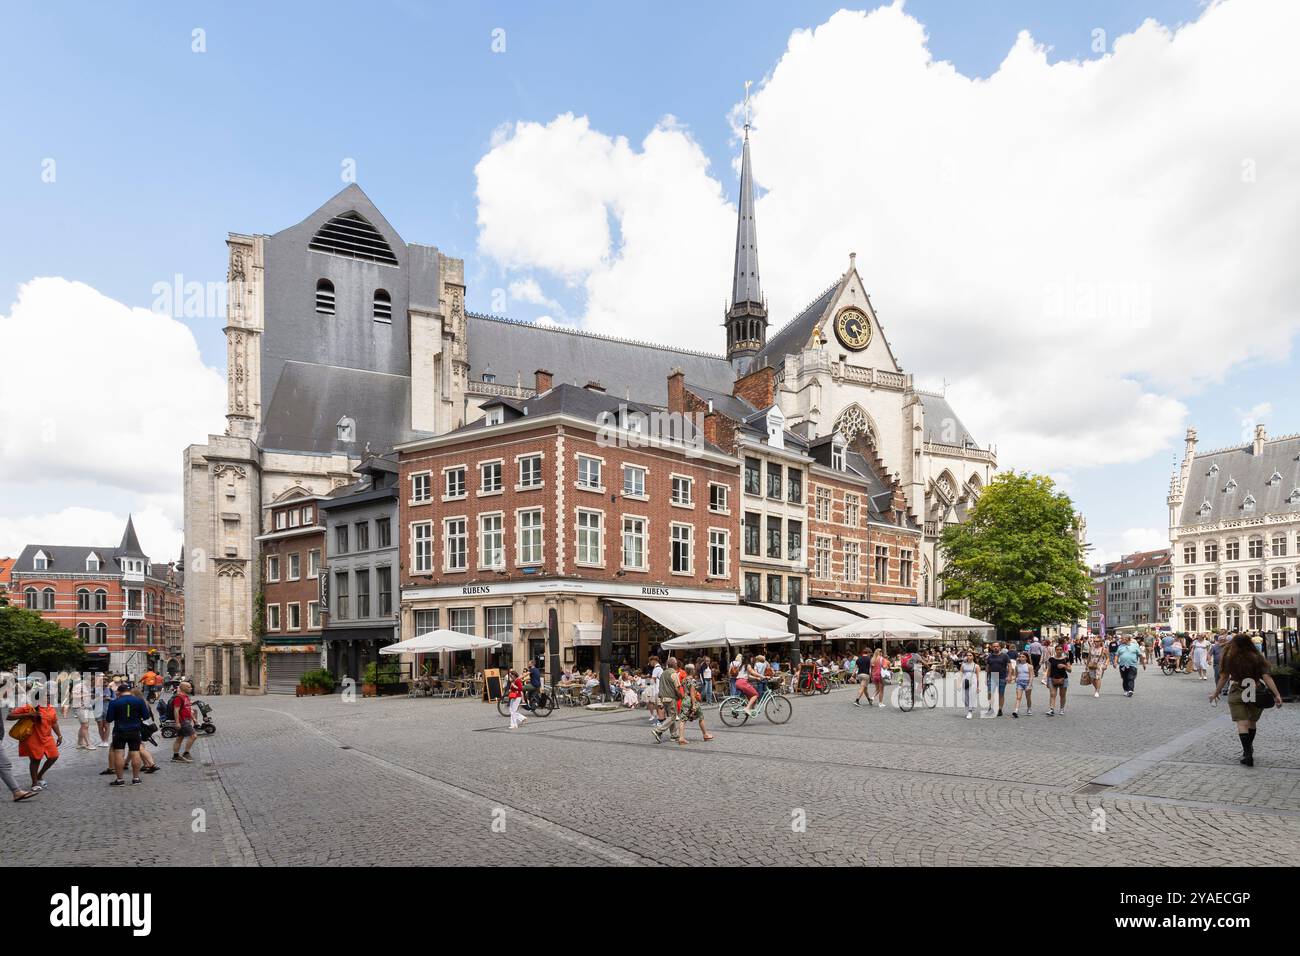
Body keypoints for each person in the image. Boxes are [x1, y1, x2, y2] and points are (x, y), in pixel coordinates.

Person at [1210, 634, 1284, 767]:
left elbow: (1224, 677)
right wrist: (1277, 694)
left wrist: (1216, 692)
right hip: (1255, 690)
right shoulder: (1257, 657)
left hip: (1238, 690)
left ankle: (1247, 754)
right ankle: (1249, 748)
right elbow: (1267, 677)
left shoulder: (1229, 658)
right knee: (1251, 722)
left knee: (1242, 723)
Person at [7, 685, 62, 791]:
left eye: (48, 696)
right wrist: (28, 714)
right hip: (33, 738)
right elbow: (9, 716)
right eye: (45, 696)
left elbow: (54, 723)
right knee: (35, 760)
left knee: (54, 756)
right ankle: (34, 783)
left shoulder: (51, 708)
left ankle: (39, 775)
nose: (48, 698)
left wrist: (59, 735)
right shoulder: (30, 707)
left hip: (47, 737)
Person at [104, 682, 150, 786]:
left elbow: (109, 719)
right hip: (135, 730)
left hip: (119, 731)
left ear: (119, 692)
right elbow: (146, 716)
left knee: (119, 753)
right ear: (129, 691)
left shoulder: (114, 702)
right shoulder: (139, 701)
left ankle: (120, 780)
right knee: (135, 753)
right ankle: (136, 778)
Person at [678, 664, 714, 743]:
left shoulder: (684, 680)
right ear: (692, 671)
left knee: (682, 720)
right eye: (694, 669)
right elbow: (692, 694)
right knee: (701, 717)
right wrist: (694, 705)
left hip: (685, 700)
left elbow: (683, 691)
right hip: (691, 700)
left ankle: (681, 737)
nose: (695, 671)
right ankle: (705, 734)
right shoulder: (692, 680)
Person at [652, 656, 684, 745]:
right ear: (675, 665)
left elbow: (660, 686)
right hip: (671, 698)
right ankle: (658, 730)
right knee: (672, 717)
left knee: (670, 715)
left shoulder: (663, 673)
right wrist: (681, 696)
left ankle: (674, 735)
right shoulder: (674, 674)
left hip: (663, 698)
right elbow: (677, 688)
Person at [169, 681, 199, 762]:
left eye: (190, 687)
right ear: (183, 688)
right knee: (193, 736)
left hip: (186, 720)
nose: (191, 688)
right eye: (189, 687)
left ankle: (175, 756)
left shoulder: (186, 697)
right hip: (183, 721)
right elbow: (176, 710)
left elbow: (188, 709)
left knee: (180, 738)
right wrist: (177, 722)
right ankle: (186, 753)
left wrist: (194, 719)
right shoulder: (178, 698)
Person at [982, 642, 1010, 716]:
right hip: (992, 677)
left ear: (1000, 647)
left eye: (997, 646)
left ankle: (1000, 709)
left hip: (1002, 677)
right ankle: (991, 706)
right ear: (992, 648)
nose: (995, 648)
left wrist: (1009, 676)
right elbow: (987, 668)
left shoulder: (1005, 656)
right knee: (990, 693)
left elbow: (1009, 666)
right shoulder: (990, 657)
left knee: (1001, 694)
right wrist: (986, 678)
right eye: (994, 646)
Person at [69, 678, 96, 750]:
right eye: (93, 682)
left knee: (83, 726)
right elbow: (72, 696)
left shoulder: (89, 686)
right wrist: (85, 695)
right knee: (85, 725)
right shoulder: (79, 686)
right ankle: (88, 744)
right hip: (79, 707)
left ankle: (80, 743)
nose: (94, 684)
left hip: (86, 707)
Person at [1045, 643, 1071, 716]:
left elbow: (1070, 670)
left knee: (1062, 695)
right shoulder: (1051, 659)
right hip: (1052, 678)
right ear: (1055, 650)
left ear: (1062, 650)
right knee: (1052, 694)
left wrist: (1064, 666)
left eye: (1060, 649)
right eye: (1057, 650)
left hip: (1063, 678)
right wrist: (1047, 680)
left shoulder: (1066, 659)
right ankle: (1051, 709)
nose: (1059, 651)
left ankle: (1062, 709)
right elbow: (1049, 670)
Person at [1010, 652, 1033, 717]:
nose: (1021, 658)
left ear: (1026, 658)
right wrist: (1013, 679)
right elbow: (1016, 675)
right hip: (1019, 683)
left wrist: (1029, 685)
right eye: (1020, 657)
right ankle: (1016, 710)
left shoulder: (1029, 666)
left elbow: (1031, 676)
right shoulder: (1017, 666)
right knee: (1018, 697)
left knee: (1028, 697)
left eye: (1023, 657)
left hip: (1027, 683)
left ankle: (1029, 709)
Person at [959, 651, 979, 718]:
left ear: (973, 656)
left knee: (971, 696)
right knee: (964, 697)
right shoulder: (963, 665)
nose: (968, 656)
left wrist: (978, 687)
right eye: (967, 655)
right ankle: (969, 709)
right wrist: (958, 683)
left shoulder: (976, 666)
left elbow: (978, 677)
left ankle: (970, 711)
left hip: (973, 682)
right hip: (965, 681)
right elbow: (960, 674)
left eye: (970, 655)